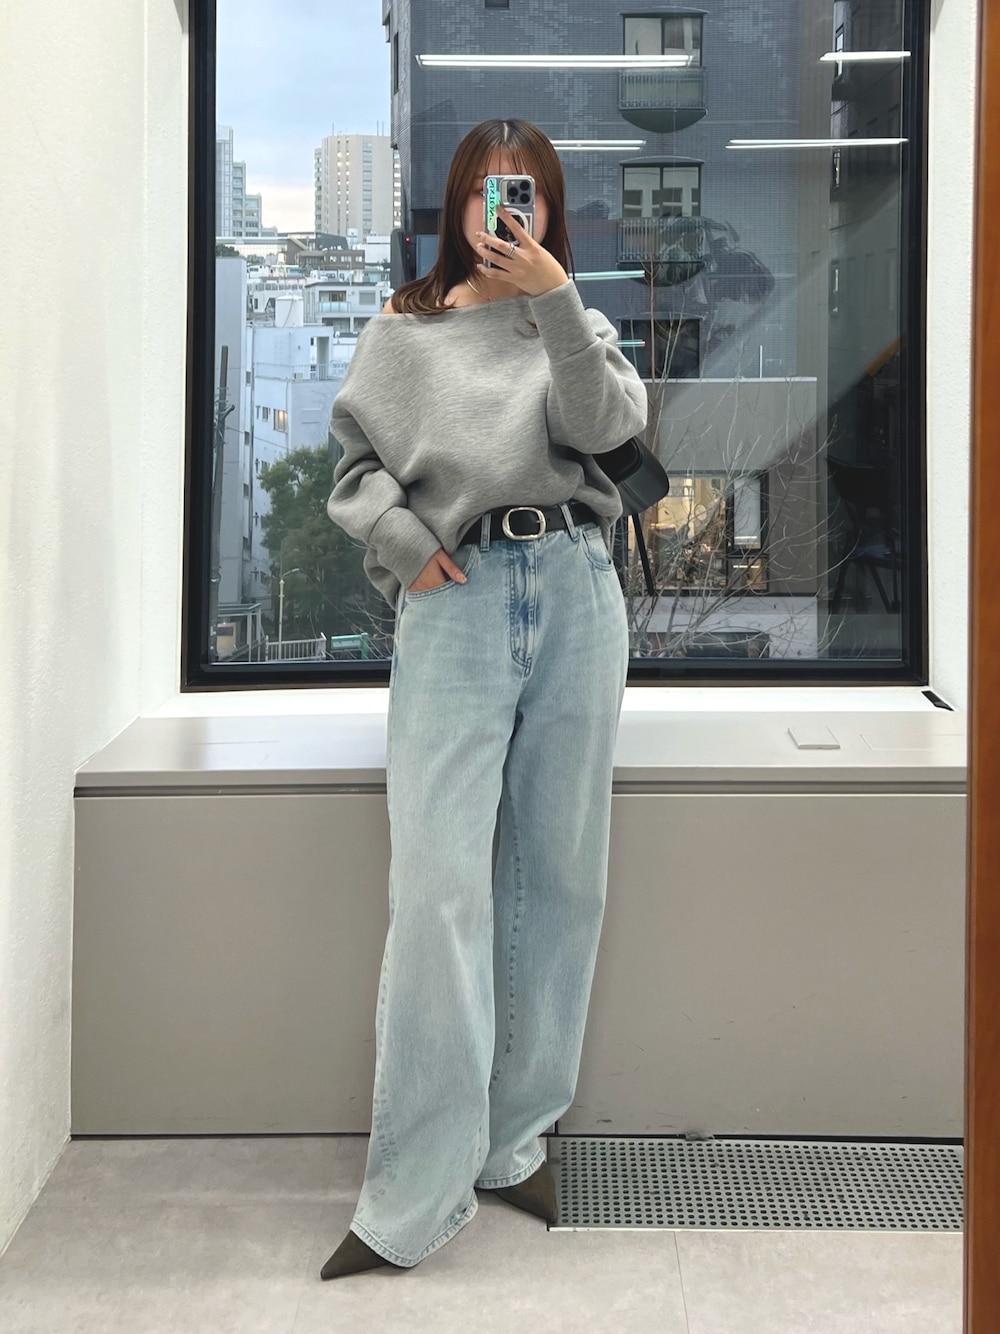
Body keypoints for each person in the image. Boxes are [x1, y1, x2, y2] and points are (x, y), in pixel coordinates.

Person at [320, 118, 647, 1279]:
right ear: (455, 201)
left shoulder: (575, 319)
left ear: (550, 210)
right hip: (456, 602)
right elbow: (353, 472)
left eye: (527, 195)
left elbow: (605, 428)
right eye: (485, 192)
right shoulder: (402, 329)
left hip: (575, 589)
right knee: (438, 890)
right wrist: (409, 549)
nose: (503, 212)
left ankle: (514, 1143)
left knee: (560, 878)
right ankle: (415, 1188)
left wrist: (554, 299)